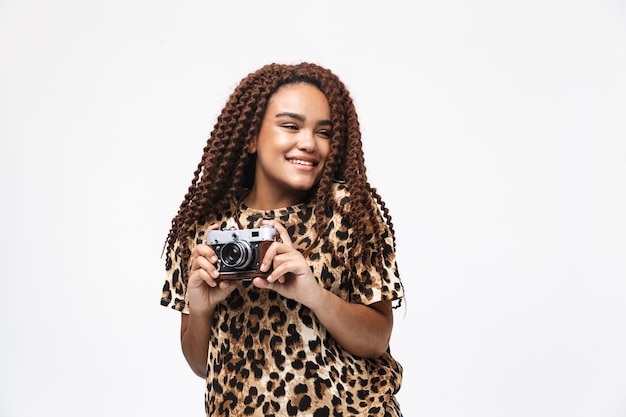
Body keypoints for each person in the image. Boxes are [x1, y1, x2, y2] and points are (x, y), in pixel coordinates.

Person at [161, 62, 405, 417]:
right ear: (250, 137)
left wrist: (315, 296)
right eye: (290, 126)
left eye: (324, 132)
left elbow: (377, 340)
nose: (309, 143)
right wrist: (200, 307)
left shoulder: (350, 213)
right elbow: (202, 365)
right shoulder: (206, 230)